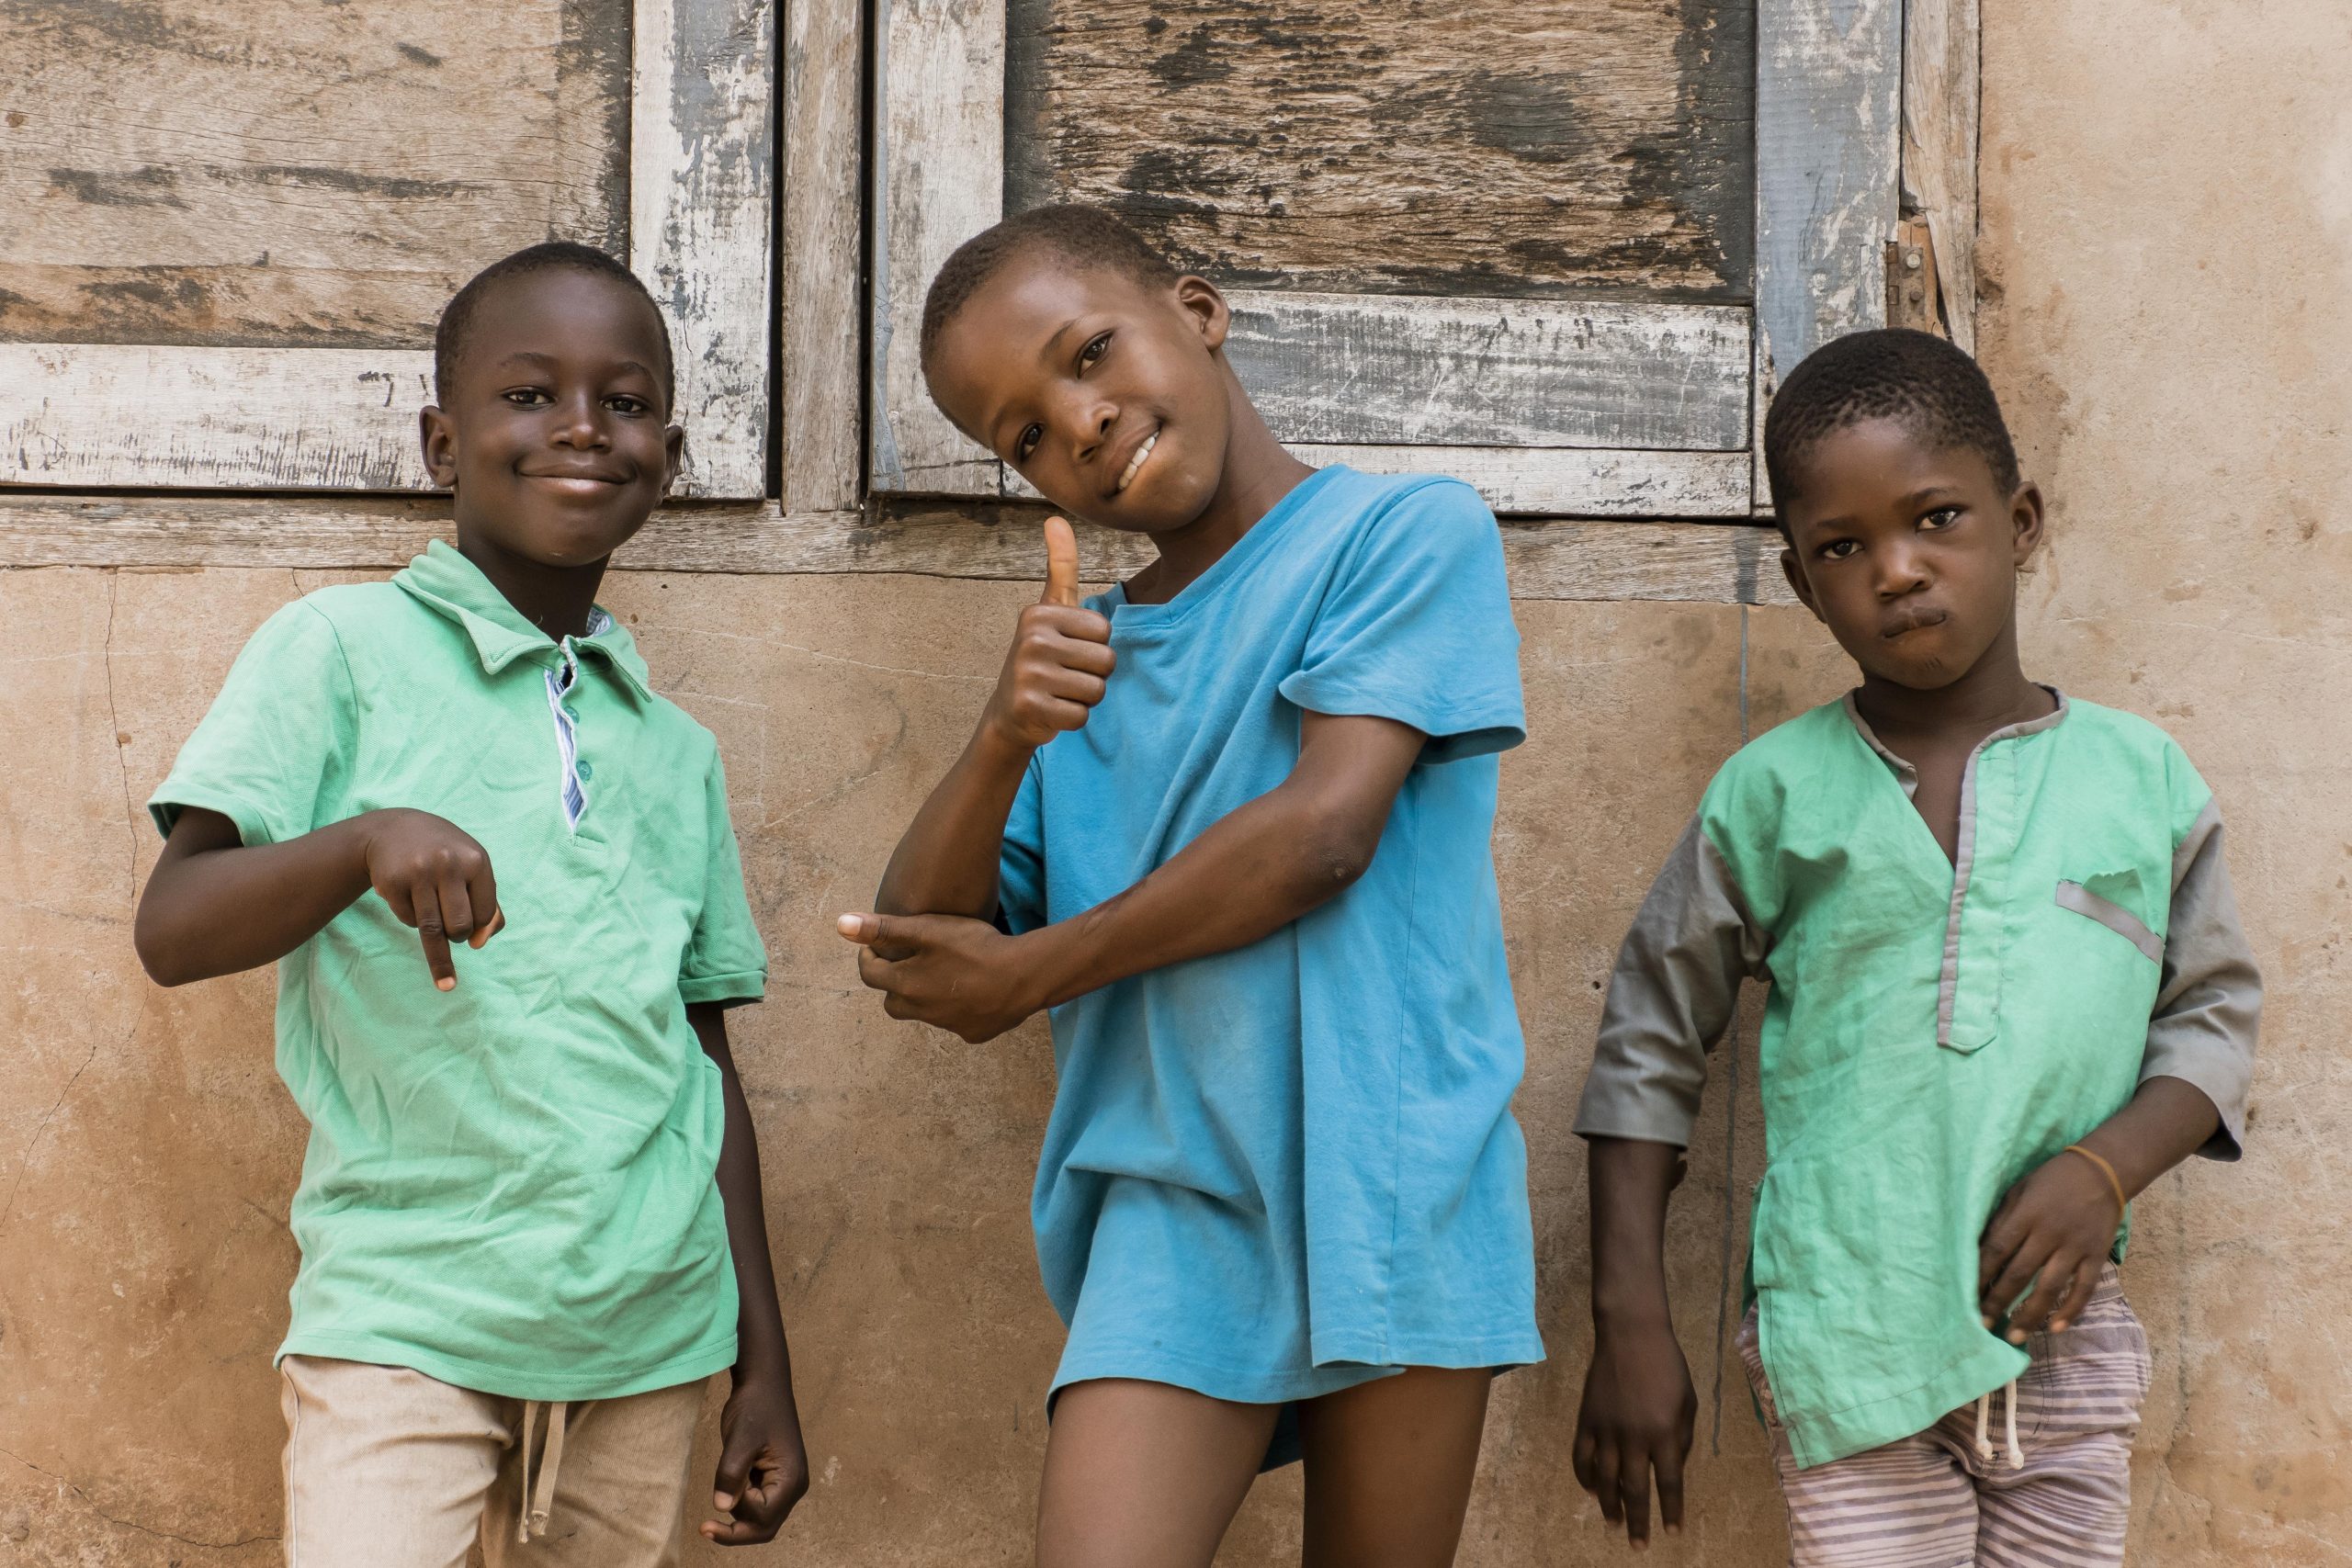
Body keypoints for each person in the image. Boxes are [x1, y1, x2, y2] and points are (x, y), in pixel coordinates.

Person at [837, 204, 1542, 1567]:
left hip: (1395, 1177)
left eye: (1090, 355)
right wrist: (1001, 736)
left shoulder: (1405, 534)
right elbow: (918, 944)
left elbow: (1323, 834)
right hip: (1170, 1200)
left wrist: (1032, 974)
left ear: (1200, 313)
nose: (1079, 424)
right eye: (1025, 435)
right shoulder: (1084, 661)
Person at [134, 243, 808, 1566]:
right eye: (527, 396)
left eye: (622, 404)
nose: (578, 428)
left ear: (662, 458)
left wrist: (761, 1364)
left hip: (650, 1336)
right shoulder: (339, 653)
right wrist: (359, 845)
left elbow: (703, 1065)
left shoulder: (676, 751)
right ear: (444, 442)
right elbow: (173, 928)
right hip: (408, 1319)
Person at [1569, 328, 2259, 1564]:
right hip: (1848, 1331)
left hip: (2063, 1328)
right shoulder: (1769, 796)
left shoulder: (2141, 780)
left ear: (2023, 520)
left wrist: (2105, 1170)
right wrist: (1631, 1319)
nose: (1896, 570)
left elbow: (2210, 1021)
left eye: (1936, 518)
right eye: (1843, 547)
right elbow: (1647, 1042)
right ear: (1800, 582)